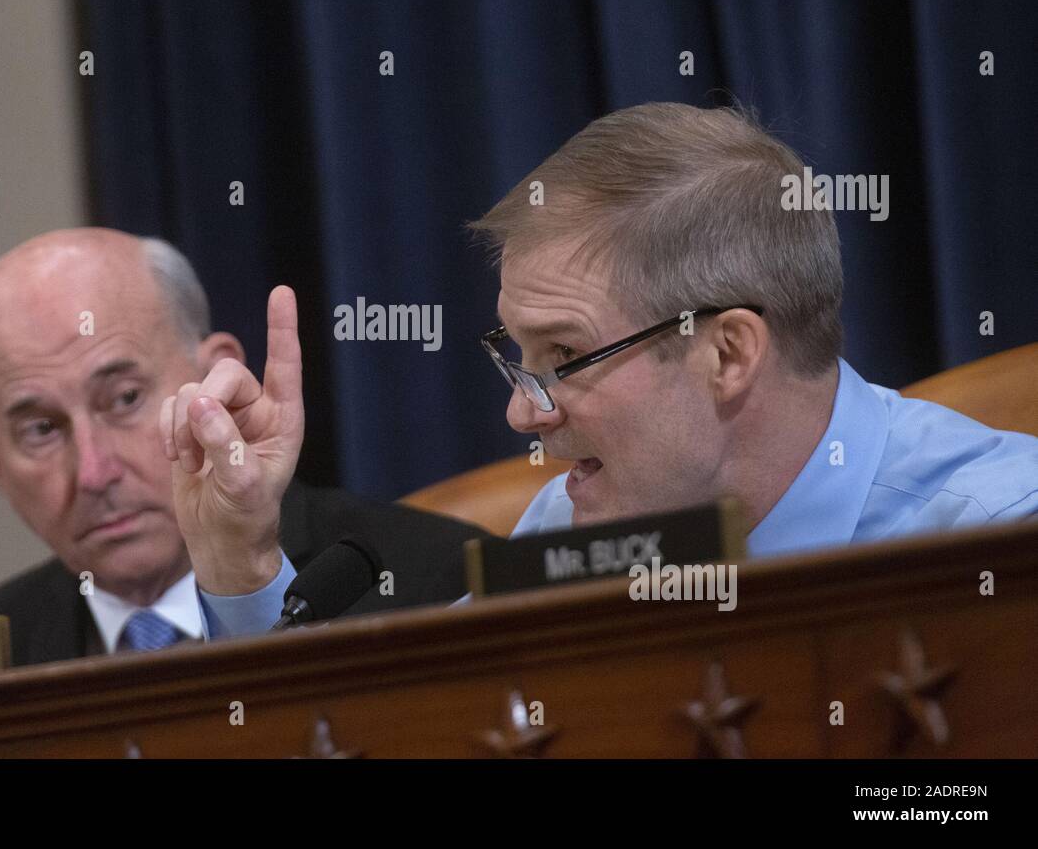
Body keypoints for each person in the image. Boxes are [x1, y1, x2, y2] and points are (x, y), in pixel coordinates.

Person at [167, 103, 1037, 633]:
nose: (523, 414)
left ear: (727, 352)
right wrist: (241, 563)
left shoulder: (1000, 539)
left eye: (566, 357)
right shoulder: (572, 531)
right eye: (517, 356)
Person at [0, 228, 484, 666]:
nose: (94, 472)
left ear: (217, 378)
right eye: (41, 429)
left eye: (126, 399)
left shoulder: (442, 586)